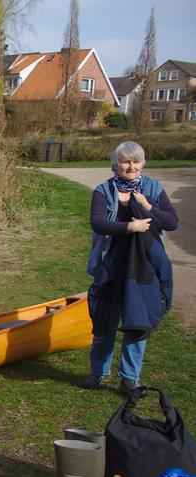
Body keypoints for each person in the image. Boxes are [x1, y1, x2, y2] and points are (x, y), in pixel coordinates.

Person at [83, 141, 178, 395]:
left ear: (142, 164)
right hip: (111, 264)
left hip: (142, 267)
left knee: (137, 322)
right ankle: (99, 373)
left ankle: (130, 378)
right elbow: (98, 223)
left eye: (136, 162)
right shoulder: (103, 191)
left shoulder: (153, 188)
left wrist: (148, 207)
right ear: (116, 165)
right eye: (126, 162)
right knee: (105, 322)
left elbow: (172, 222)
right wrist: (129, 227)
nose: (131, 166)